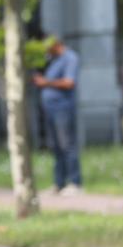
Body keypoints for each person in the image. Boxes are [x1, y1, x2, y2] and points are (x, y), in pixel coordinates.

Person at [32, 35, 82, 195]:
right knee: (56, 147)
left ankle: (75, 183)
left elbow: (69, 82)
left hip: (63, 108)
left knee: (67, 145)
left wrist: (46, 83)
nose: (46, 50)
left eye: (47, 46)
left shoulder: (70, 58)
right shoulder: (54, 60)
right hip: (51, 109)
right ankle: (59, 184)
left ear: (56, 44)